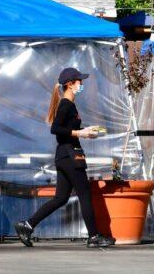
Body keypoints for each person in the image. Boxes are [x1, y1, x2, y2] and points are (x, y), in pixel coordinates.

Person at [14, 68, 115, 248]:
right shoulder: (66, 104)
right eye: (79, 81)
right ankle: (93, 237)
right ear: (70, 84)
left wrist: (86, 133)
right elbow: (56, 129)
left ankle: (27, 226)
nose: (81, 84)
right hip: (70, 156)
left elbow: (66, 132)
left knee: (60, 198)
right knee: (85, 194)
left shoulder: (70, 105)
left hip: (65, 155)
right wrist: (79, 133)